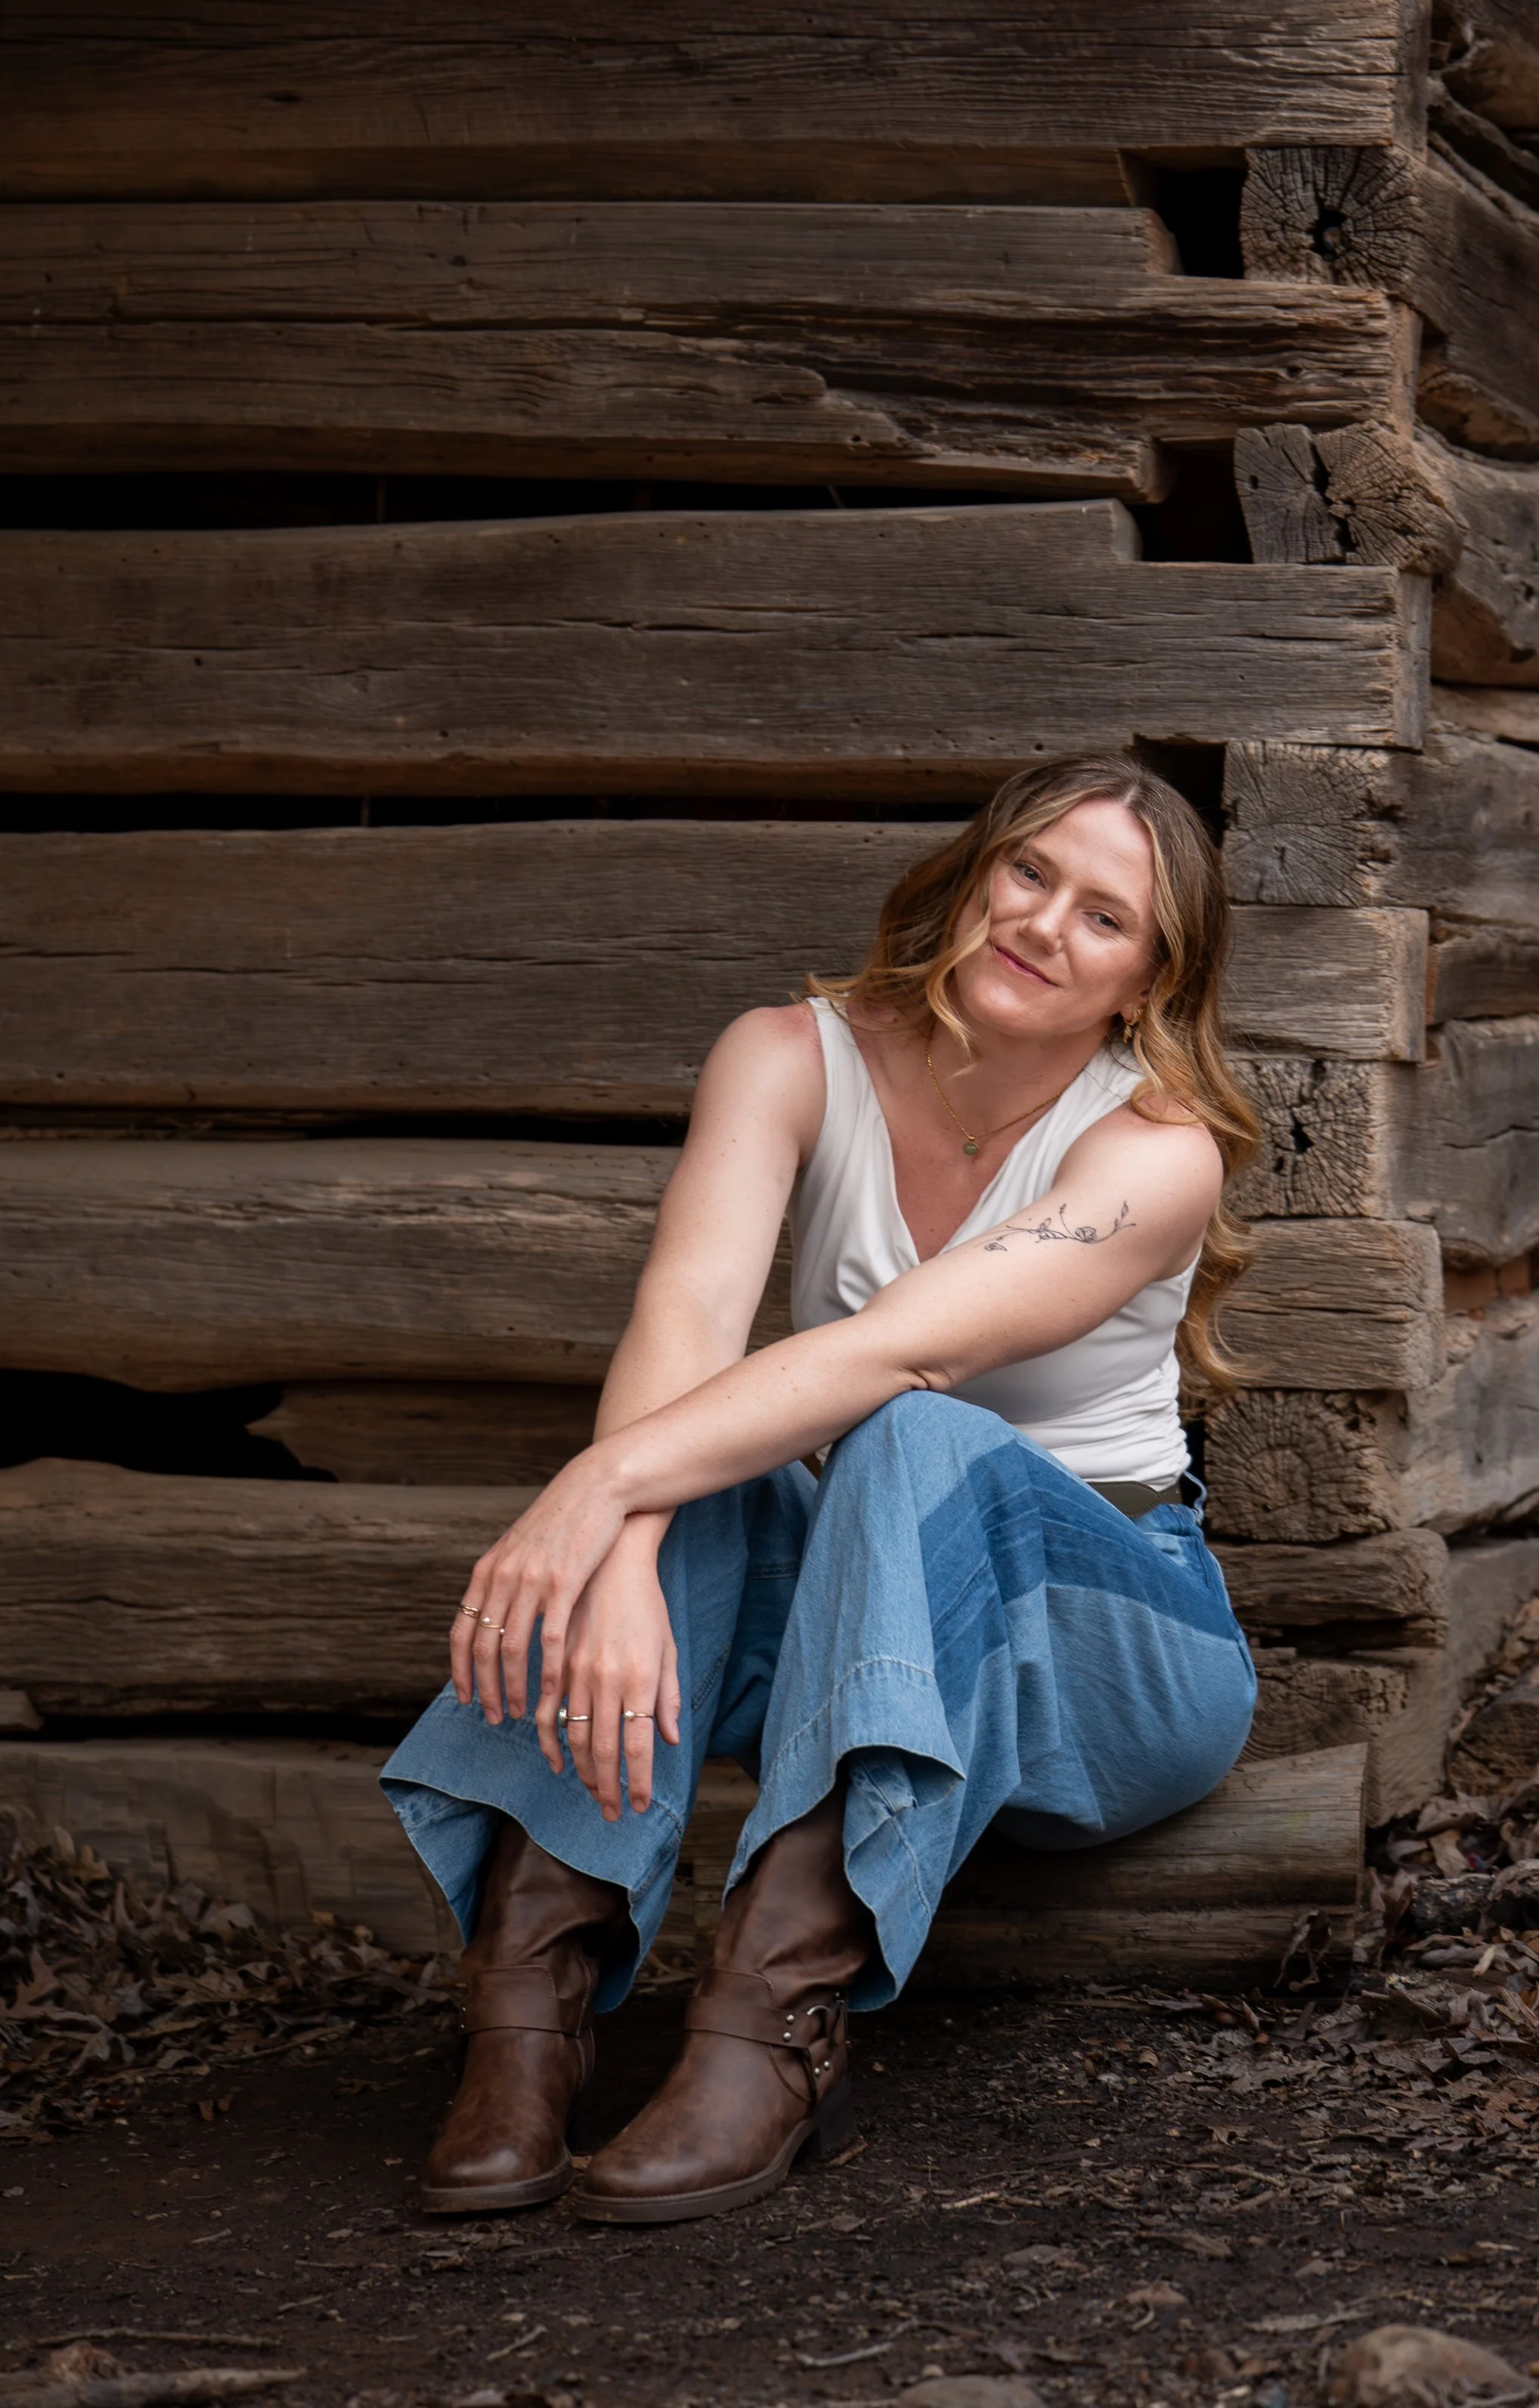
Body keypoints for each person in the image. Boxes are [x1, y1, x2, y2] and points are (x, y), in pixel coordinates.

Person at [381, 757, 1262, 2224]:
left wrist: (585, 1494)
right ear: (977, 868)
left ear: (1146, 982)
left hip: (1112, 1653)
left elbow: (892, 1349)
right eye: (1029, 872)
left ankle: (767, 2027)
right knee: (701, 1467)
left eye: (1103, 917)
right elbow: (686, 1318)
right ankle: (523, 2018)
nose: (1043, 923)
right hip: (873, 1638)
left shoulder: (1157, 1150)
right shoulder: (787, 1053)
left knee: (903, 1425)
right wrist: (616, 1555)